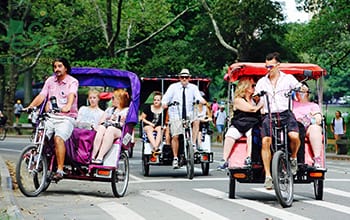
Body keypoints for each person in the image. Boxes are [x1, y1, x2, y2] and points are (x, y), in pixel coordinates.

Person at [255, 52, 303, 190]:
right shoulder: (262, 82)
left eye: (271, 66)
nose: (268, 69)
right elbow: (257, 96)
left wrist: (302, 88)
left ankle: (293, 157)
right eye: (267, 66)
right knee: (265, 141)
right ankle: (268, 176)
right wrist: (256, 96)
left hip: (285, 113)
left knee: (294, 136)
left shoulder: (288, 78)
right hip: (269, 114)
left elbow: (299, 86)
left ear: (278, 65)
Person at [24, 57, 78, 180]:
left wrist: (68, 106)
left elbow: (71, 94)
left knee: (58, 138)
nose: (56, 69)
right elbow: (42, 95)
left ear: (65, 68)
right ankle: (36, 158)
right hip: (51, 116)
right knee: (40, 134)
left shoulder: (72, 81)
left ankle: (60, 170)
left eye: (59, 66)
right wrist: (30, 106)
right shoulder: (50, 81)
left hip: (66, 118)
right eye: (55, 67)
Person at [162, 68, 206, 169]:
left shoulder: (193, 88)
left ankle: (193, 144)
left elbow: (198, 97)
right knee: (175, 136)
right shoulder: (173, 87)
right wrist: (164, 103)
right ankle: (175, 158)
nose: (184, 79)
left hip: (189, 114)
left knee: (196, 121)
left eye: (186, 77)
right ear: (179, 77)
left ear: (189, 78)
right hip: (176, 114)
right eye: (182, 77)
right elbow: (165, 99)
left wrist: (202, 101)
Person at [217, 77, 263, 170]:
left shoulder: (255, 100)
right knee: (230, 135)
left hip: (252, 124)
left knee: (252, 134)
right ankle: (224, 160)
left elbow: (261, 112)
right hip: (240, 123)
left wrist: (259, 101)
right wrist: (261, 103)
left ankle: (249, 158)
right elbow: (252, 109)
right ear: (245, 87)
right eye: (253, 86)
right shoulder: (238, 100)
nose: (255, 88)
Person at [91, 89, 130, 164]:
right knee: (101, 128)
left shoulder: (126, 110)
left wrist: (115, 119)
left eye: (113, 98)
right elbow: (101, 122)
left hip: (119, 130)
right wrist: (109, 119)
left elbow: (123, 124)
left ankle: (100, 156)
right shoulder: (110, 109)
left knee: (110, 129)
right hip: (107, 127)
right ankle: (93, 155)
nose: (111, 100)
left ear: (120, 99)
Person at [293, 83, 323, 168]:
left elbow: (318, 118)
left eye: (303, 91)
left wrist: (312, 118)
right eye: (299, 91)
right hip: (293, 126)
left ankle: (317, 158)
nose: (301, 92)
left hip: (307, 127)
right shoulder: (291, 104)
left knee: (315, 128)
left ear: (308, 92)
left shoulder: (313, 105)